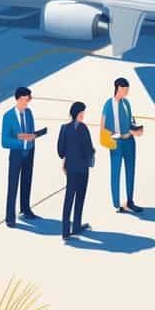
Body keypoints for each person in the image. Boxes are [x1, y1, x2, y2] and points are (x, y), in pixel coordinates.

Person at [0, 86, 39, 227]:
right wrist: (21, 141)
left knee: (27, 182)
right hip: (16, 154)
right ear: (18, 99)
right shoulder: (8, 116)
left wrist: (32, 141)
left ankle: (25, 209)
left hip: (29, 153)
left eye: (28, 100)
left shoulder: (29, 113)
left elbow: (31, 130)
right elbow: (4, 141)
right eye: (25, 100)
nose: (27, 103)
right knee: (13, 185)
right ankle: (10, 217)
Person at [102, 77, 142, 213]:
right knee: (116, 172)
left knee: (131, 171)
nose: (127, 92)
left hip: (130, 142)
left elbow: (130, 120)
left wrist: (136, 129)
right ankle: (117, 204)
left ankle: (130, 200)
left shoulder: (127, 103)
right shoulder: (109, 104)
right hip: (117, 143)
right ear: (119, 88)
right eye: (125, 89)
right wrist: (115, 138)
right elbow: (104, 128)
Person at [57, 101, 94, 240]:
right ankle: (77, 226)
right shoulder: (83, 128)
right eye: (82, 113)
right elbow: (89, 149)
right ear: (78, 114)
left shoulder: (64, 129)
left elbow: (60, 151)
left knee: (69, 198)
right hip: (82, 168)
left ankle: (65, 231)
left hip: (70, 168)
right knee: (79, 197)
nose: (83, 115)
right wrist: (91, 153)